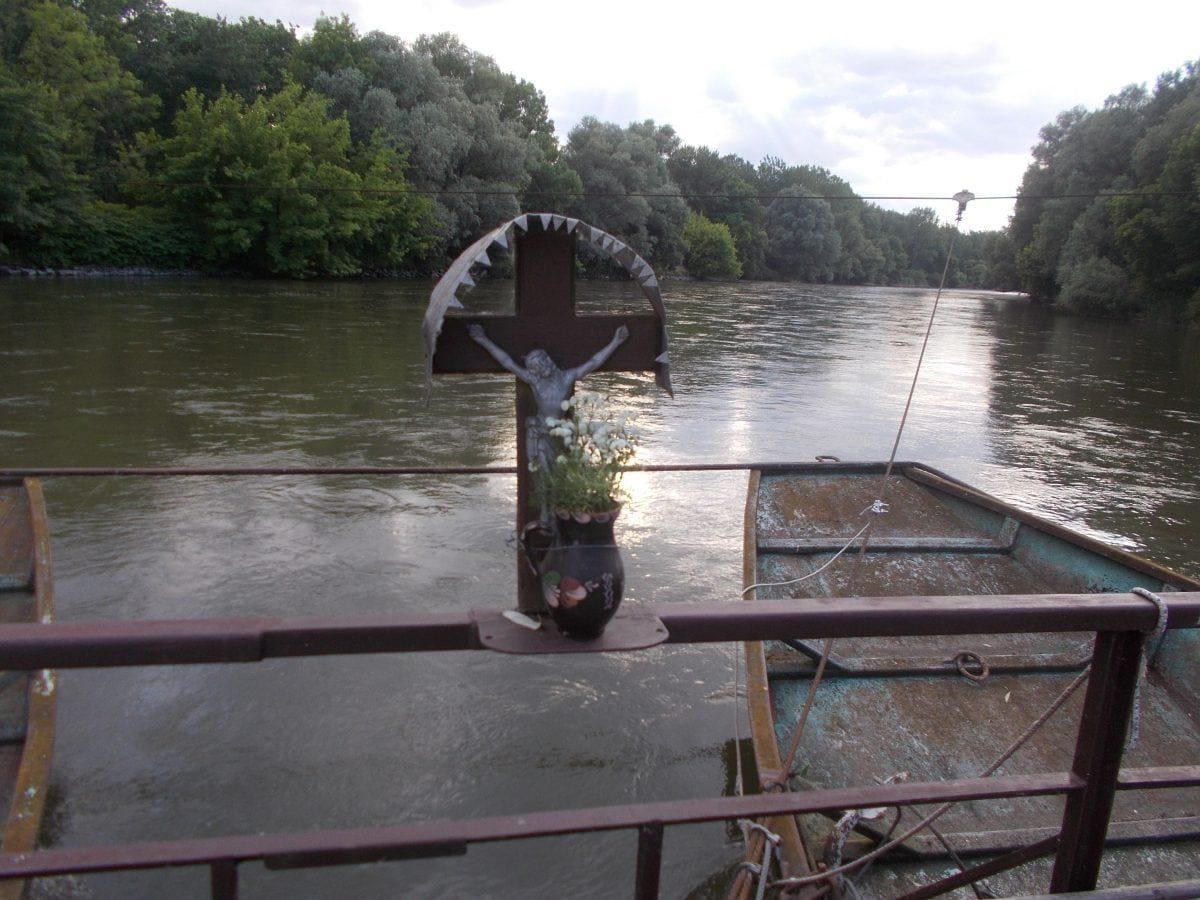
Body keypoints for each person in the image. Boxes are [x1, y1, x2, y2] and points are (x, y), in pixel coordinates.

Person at [467, 323, 629, 473]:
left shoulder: (567, 378)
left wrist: (616, 342)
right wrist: (482, 339)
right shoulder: (535, 381)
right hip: (541, 432)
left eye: (539, 366)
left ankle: (558, 503)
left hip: (562, 434)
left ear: (548, 361)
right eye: (534, 369)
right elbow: (506, 362)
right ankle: (545, 504)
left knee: (562, 472)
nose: (537, 371)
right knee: (543, 475)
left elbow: (594, 362)